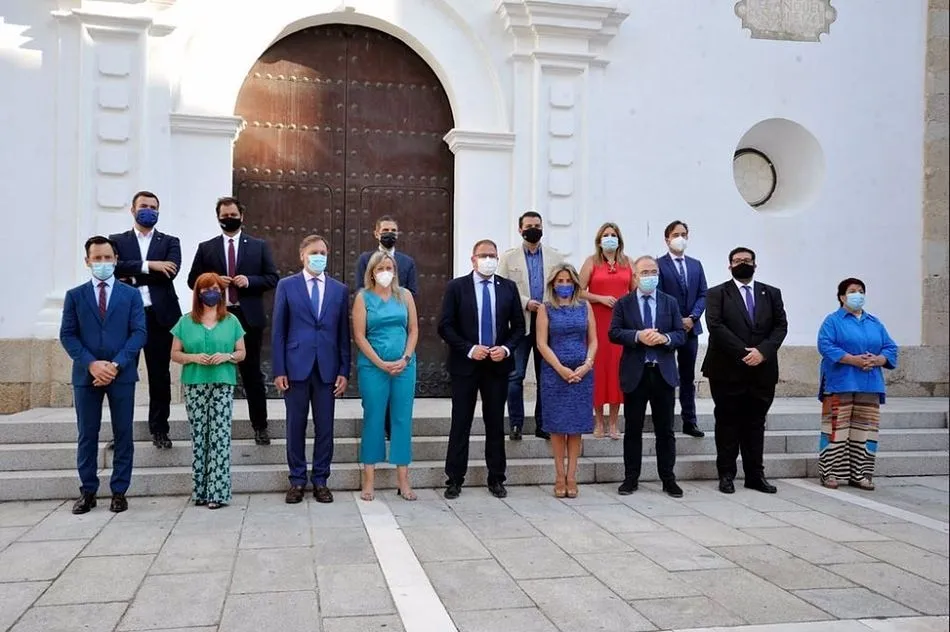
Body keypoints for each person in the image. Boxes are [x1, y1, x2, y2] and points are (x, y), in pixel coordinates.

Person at [59, 236, 147, 514]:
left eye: (107, 258)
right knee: (87, 434)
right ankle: (88, 491)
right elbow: (68, 335)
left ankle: (119, 491)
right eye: (97, 258)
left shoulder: (131, 295)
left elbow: (138, 333)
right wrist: (92, 364)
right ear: (87, 261)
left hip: (121, 375)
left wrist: (115, 365)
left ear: (116, 260)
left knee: (123, 434)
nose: (103, 263)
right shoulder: (75, 296)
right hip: (87, 377)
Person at [187, 196, 279, 446]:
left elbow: (272, 277)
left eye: (233, 214)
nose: (229, 219)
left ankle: (260, 426)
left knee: (252, 375)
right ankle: (210, 426)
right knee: (214, 370)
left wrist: (249, 281)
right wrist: (213, 279)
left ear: (242, 215)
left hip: (247, 317)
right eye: (224, 215)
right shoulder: (207, 247)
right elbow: (192, 280)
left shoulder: (258, 246)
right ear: (218, 218)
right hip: (217, 317)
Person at [438, 239, 525, 499]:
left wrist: (506, 349)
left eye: (492, 255)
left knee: (495, 423)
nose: (489, 259)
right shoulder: (456, 287)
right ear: (473, 259)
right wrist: (468, 348)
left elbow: (519, 327)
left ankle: (496, 477)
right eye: (483, 255)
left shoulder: (508, 288)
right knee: (461, 422)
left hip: (497, 366)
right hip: (466, 365)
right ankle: (454, 478)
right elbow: (445, 325)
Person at [272, 235, 351, 504]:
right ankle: (296, 480)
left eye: (323, 252)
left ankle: (320, 480)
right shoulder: (287, 286)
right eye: (314, 252)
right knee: (295, 426)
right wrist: (279, 368)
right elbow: (279, 331)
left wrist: (344, 371)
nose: (319, 256)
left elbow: (343, 334)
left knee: (325, 428)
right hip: (295, 367)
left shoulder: (339, 289)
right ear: (302, 255)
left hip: (327, 369)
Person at [702, 247, 788, 495]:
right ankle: (726, 474)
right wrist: (744, 353)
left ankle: (755, 475)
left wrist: (762, 351)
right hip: (727, 370)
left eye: (747, 260)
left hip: (762, 370)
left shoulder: (771, 293)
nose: (742, 264)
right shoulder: (717, 293)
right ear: (729, 266)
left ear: (755, 264)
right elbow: (715, 326)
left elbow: (781, 326)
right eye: (737, 261)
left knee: (755, 423)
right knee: (727, 423)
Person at [609, 256, 687, 498]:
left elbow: (680, 334)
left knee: (666, 430)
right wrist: (637, 336)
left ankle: (668, 479)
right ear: (635, 275)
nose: (649, 276)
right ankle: (631, 478)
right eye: (644, 272)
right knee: (633, 429)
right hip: (636, 373)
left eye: (653, 271)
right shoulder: (624, 303)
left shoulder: (669, 302)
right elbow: (614, 332)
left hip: (663, 373)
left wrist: (665, 339)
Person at [110, 190, 182, 449]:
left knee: (159, 376)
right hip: (126, 318)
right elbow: (114, 267)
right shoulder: (116, 240)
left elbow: (170, 272)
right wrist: (150, 265)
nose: (148, 210)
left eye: (153, 206)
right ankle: (119, 432)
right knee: (122, 374)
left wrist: (131, 274)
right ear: (132, 209)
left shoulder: (170, 241)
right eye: (144, 206)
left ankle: (160, 429)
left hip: (159, 318)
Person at [170, 273, 247, 509]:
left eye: (214, 288)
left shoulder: (231, 320)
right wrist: (193, 357)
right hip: (195, 384)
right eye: (205, 289)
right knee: (200, 436)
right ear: (198, 293)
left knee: (220, 437)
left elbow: (242, 352)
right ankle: (201, 491)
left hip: (222, 383)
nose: (210, 292)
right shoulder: (185, 321)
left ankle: (218, 492)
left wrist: (228, 356)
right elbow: (175, 353)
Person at [816, 278, 898, 491]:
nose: (857, 294)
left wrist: (878, 360)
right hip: (840, 382)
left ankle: (860, 474)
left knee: (865, 430)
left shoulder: (874, 322)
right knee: (836, 429)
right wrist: (853, 359)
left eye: (861, 291)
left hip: (870, 383)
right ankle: (830, 472)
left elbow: (890, 347)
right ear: (842, 297)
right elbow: (825, 345)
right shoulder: (833, 321)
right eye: (852, 291)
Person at [352, 251, 419, 501]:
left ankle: (403, 481)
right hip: (373, 367)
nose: (385, 272)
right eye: (380, 268)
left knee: (402, 419)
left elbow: (413, 329)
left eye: (389, 267)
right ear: (372, 272)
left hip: (404, 367)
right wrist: (380, 362)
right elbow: (359, 335)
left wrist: (406, 358)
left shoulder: (406, 296)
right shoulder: (363, 297)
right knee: (374, 418)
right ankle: (369, 480)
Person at [497, 210, 565, 440]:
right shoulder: (508, 258)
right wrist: (527, 303)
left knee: (545, 374)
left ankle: (543, 424)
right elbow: (503, 288)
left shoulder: (555, 257)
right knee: (515, 375)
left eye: (537, 225)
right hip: (520, 321)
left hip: (548, 321)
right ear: (520, 229)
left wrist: (549, 304)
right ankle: (516, 424)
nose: (533, 229)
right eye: (529, 225)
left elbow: (563, 286)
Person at [355, 215, 419, 441]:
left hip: (399, 330)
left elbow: (412, 293)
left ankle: (394, 430)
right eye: (385, 230)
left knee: (400, 392)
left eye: (393, 229)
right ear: (376, 233)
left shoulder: (407, 262)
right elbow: (360, 289)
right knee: (375, 393)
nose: (389, 233)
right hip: (375, 333)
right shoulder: (365, 259)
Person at [535, 263, 596, 498]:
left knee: (576, 427)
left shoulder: (585, 306)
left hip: (582, 373)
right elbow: (541, 343)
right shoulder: (546, 308)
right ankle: (559, 475)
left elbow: (593, 340)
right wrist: (560, 368)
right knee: (558, 428)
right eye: (559, 281)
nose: (564, 285)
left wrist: (587, 364)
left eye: (568, 281)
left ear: (575, 283)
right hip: (555, 373)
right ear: (553, 284)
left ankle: (573, 476)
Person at [579, 222, 635, 439]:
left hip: (621, 324)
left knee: (617, 371)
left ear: (619, 239)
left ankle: (614, 422)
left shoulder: (628, 262)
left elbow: (634, 290)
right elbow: (579, 290)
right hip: (598, 321)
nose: (610, 238)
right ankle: (598, 422)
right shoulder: (591, 262)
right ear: (599, 241)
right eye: (606, 235)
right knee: (599, 370)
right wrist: (599, 298)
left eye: (613, 235)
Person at [657, 220, 707, 438]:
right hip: (668, 330)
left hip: (691, 329)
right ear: (667, 238)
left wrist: (693, 317)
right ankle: (665, 419)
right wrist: (677, 320)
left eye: (684, 234)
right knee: (667, 375)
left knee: (687, 376)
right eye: (676, 234)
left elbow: (703, 294)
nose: (680, 238)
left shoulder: (696, 265)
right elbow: (658, 296)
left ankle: (690, 420)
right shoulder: (658, 264)